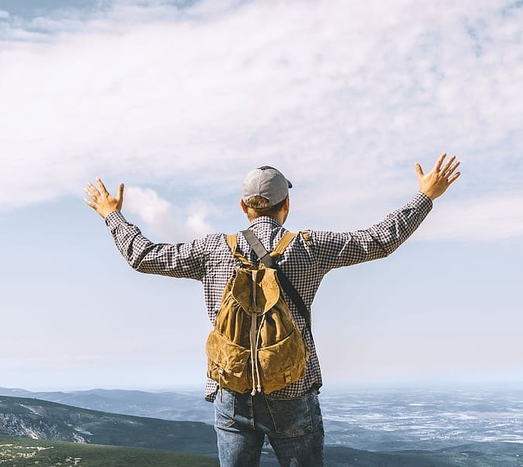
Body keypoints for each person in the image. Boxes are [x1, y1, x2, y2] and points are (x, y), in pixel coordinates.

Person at [84, 153, 461, 467]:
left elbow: (143, 256)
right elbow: (378, 240)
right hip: (292, 389)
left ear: (244, 206)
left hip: (231, 391)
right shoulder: (308, 248)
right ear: (287, 205)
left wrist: (111, 214)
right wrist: (425, 196)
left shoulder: (214, 250)